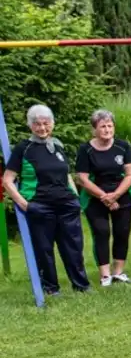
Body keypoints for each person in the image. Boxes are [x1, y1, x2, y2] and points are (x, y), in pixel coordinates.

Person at [2, 104, 90, 294]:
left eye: (46, 123)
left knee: (73, 247)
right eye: (37, 124)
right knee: (44, 250)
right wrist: (25, 205)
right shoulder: (23, 149)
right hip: (41, 207)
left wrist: (75, 197)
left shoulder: (57, 145)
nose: (42, 128)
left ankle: (81, 286)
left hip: (67, 205)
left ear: (52, 124)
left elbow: (66, 175)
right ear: (30, 126)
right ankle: (51, 289)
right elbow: (7, 180)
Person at [75, 109, 131, 286]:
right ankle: (105, 275)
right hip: (95, 196)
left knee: (122, 232)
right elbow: (82, 179)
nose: (107, 130)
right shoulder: (85, 150)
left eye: (110, 126)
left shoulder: (123, 147)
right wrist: (105, 197)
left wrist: (116, 195)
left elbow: (130, 174)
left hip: (122, 194)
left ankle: (118, 272)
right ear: (94, 129)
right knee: (101, 232)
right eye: (103, 126)